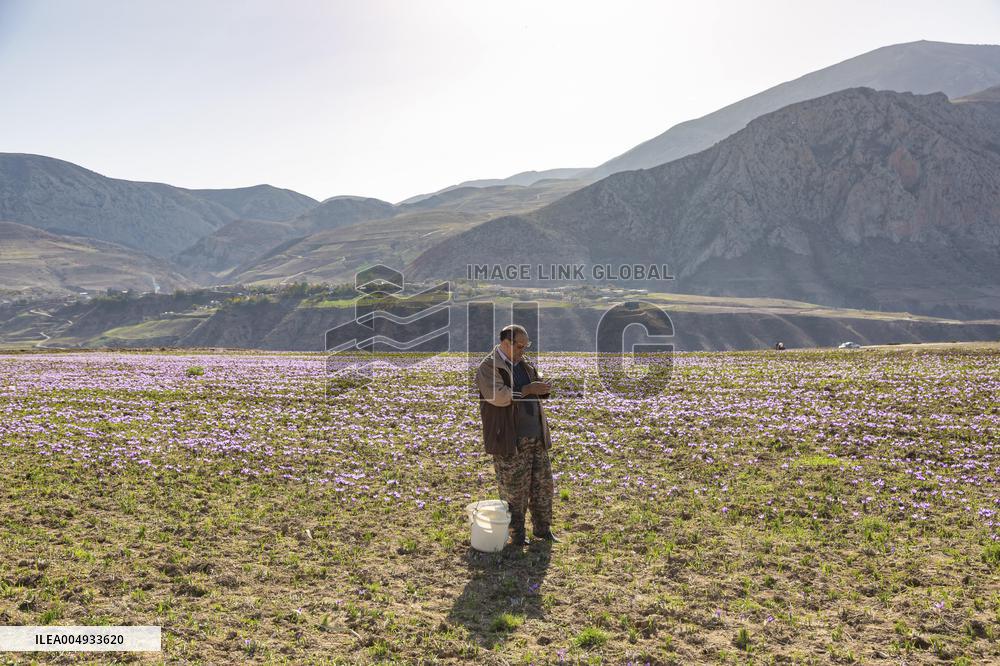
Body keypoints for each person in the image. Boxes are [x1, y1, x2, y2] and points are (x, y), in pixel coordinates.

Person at [475, 324, 559, 546]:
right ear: (505, 343)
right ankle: (517, 535)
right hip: (510, 439)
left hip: (536, 436)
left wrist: (542, 388)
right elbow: (498, 396)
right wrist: (529, 390)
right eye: (520, 346)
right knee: (514, 490)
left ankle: (543, 530)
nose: (523, 350)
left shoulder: (524, 364)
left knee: (543, 486)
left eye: (526, 346)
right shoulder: (489, 366)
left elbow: (535, 389)